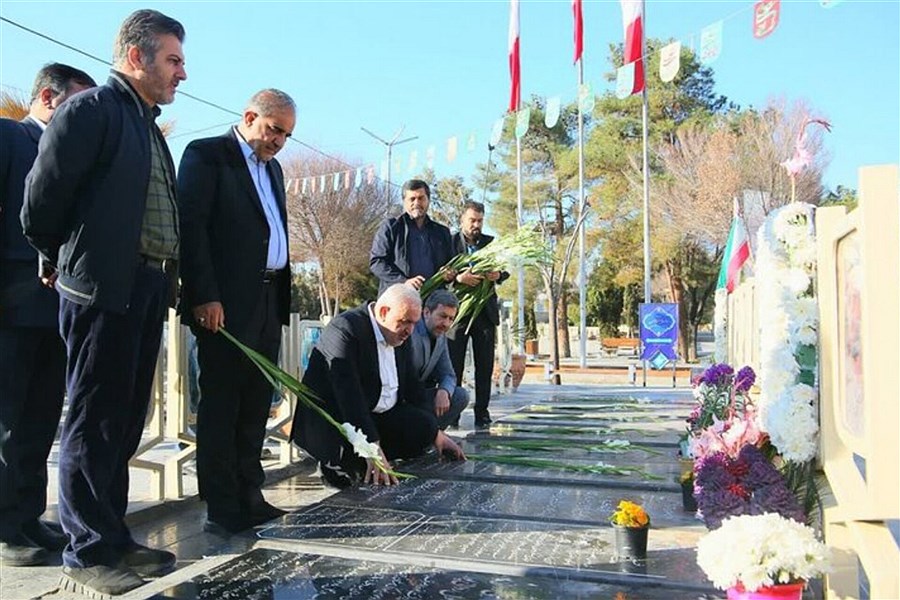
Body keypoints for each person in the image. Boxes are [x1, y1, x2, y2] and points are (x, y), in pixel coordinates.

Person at [20, 9, 186, 596]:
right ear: (136, 56)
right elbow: (40, 207)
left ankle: (113, 535)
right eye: (173, 59)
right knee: (93, 421)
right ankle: (85, 549)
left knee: (124, 418)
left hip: (144, 289)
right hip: (101, 289)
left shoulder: (145, 123)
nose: (182, 73)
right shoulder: (89, 112)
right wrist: (68, 263)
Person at [177, 89, 295, 536]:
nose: (279, 141)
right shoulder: (208, 155)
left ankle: (251, 493)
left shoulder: (275, 169)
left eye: (286, 135)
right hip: (224, 303)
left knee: (255, 404)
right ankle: (222, 504)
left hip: (267, 300)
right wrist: (204, 294)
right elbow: (193, 227)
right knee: (223, 403)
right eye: (273, 130)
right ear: (250, 116)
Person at [0, 63, 95, 568]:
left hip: (62, 306)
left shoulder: (80, 158)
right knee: (8, 420)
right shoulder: (10, 138)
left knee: (41, 420)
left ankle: (27, 516)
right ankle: (5, 529)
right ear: (47, 98)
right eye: (77, 104)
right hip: (13, 305)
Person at [291, 284, 465, 489]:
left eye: (414, 323)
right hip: (340, 421)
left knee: (424, 425)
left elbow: (413, 387)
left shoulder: (400, 333)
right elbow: (349, 396)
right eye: (405, 322)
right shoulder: (346, 328)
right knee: (351, 468)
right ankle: (344, 464)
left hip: (377, 415)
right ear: (383, 312)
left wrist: (437, 434)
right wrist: (371, 448)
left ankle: (377, 456)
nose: (410, 330)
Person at [447, 201, 509, 428]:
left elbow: (505, 270)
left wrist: (498, 274)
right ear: (462, 219)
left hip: (485, 313)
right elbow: (442, 271)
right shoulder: (450, 242)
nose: (476, 225)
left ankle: (482, 412)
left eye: (480, 221)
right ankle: (452, 413)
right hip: (458, 313)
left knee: (485, 365)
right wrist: (458, 279)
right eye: (472, 220)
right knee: (454, 365)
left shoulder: (491, 243)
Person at [369, 179, 455, 295]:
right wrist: (403, 282)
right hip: (399, 298)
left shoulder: (441, 232)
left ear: (428, 200)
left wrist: (449, 274)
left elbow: (451, 264)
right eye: (412, 199)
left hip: (433, 301)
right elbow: (377, 262)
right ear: (404, 202)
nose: (417, 203)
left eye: (421, 198)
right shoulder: (391, 227)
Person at [409, 289, 469, 430]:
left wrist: (444, 391)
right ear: (426, 312)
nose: (446, 324)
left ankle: (430, 437)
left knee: (460, 396)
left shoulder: (441, 336)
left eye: (451, 319)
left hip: (420, 397)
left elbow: (448, 374)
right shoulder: (411, 332)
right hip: (402, 397)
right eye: (442, 316)